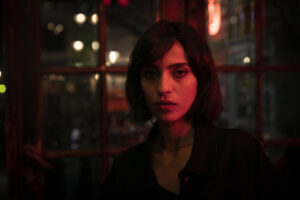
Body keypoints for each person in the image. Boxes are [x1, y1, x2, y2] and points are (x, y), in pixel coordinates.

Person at [101, 20, 286, 199]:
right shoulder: (126, 169)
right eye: (151, 74)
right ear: (139, 84)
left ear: (201, 79)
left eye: (179, 72)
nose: (163, 87)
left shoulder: (240, 153)